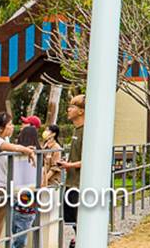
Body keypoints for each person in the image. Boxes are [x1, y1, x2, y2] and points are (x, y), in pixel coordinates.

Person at [0, 113, 35, 248]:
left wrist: (26, 150)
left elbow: (14, 149)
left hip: (0, 188)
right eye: (9, 124)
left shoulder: (3, 141)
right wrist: (27, 151)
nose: (12, 127)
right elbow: (14, 148)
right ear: (0, 128)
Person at [56, 96, 85, 248]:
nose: (68, 109)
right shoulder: (75, 130)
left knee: (79, 216)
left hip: (79, 183)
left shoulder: (87, 131)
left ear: (81, 111)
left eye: (72, 107)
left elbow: (90, 160)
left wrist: (69, 165)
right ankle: (77, 238)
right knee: (71, 217)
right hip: (70, 181)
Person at [10, 126, 41, 248]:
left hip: (15, 191)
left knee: (15, 225)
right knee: (25, 223)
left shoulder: (14, 154)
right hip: (31, 193)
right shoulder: (39, 154)